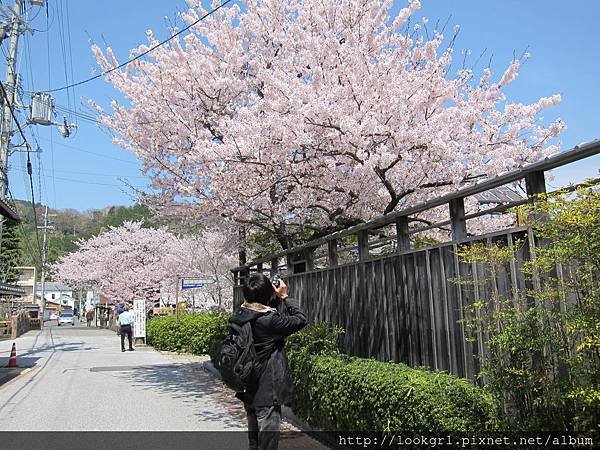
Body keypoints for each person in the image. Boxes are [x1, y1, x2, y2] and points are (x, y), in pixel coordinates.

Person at [232, 273, 307, 450]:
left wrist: (269, 297)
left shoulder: (240, 314)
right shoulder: (269, 321)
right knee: (268, 443)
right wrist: (285, 296)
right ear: (268, 293)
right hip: (267, 390)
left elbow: (263, 312)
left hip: (249, 385)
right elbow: (301, 319)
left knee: (255, 442)